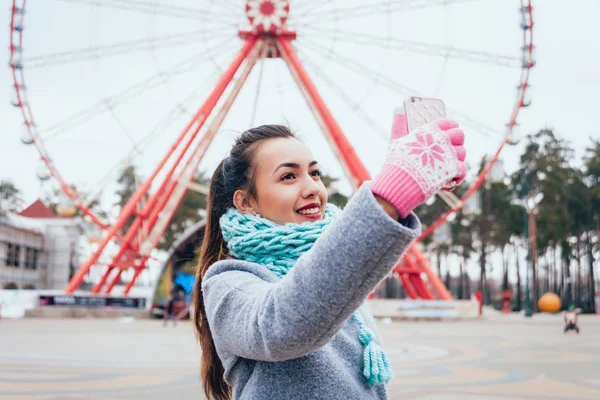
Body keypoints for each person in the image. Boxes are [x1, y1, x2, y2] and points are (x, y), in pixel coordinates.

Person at [193, 113, 467, 399]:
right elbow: (283, 327)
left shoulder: (335, 276)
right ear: (246, 202)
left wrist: (399, 188)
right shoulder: (228, 281)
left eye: (314, 173)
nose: (313, 188)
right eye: (288, 176)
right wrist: (389, 196)